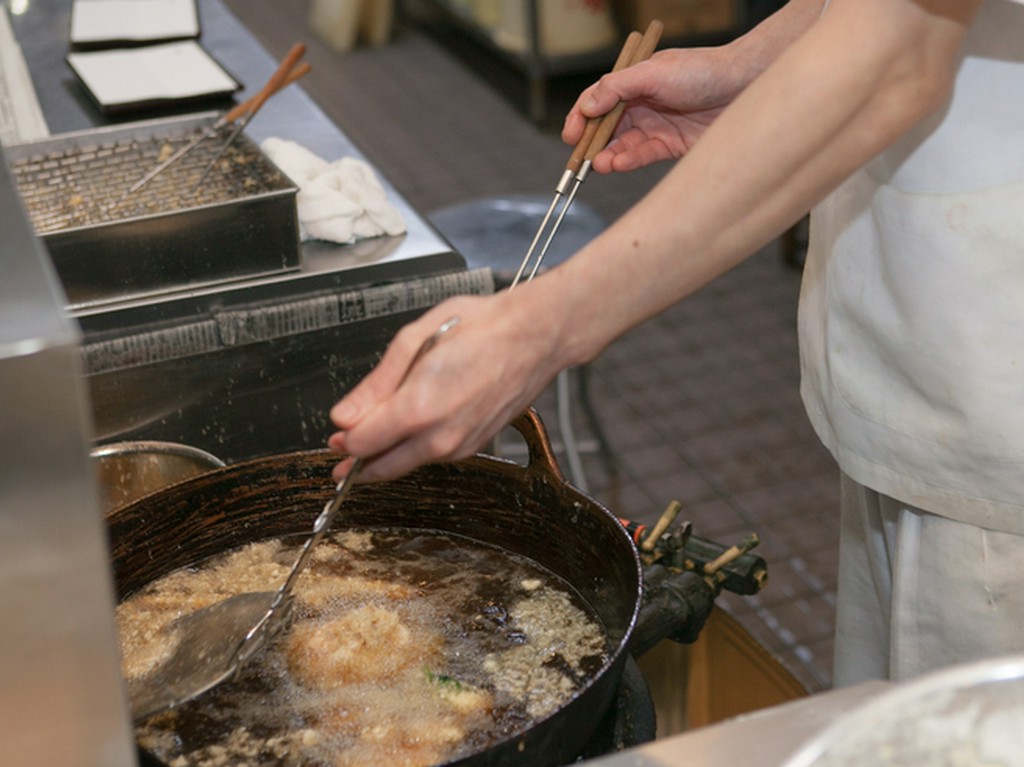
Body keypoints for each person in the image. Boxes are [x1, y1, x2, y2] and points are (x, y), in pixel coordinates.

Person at [329, 0, 1024, 686]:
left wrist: (539, 328)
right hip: (911, 334)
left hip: (988, 379)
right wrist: (752, 66)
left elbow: (898, 48)